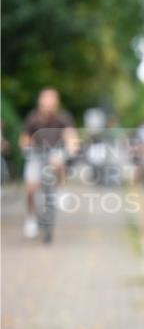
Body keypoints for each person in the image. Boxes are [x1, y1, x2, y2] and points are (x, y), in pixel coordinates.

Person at [20, 87, 78, 239]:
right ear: (40, 101)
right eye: (46, 99)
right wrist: (26, 147)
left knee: (58, 161)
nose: (49, 103)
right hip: (36, 154)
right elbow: (25, 137)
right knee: (30, 189)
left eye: (52, 99)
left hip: (55, 153)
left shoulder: (63, 117)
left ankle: (59, 188)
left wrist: (72, 148)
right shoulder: (33, 117)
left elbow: (70, 135)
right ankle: (31, 217)